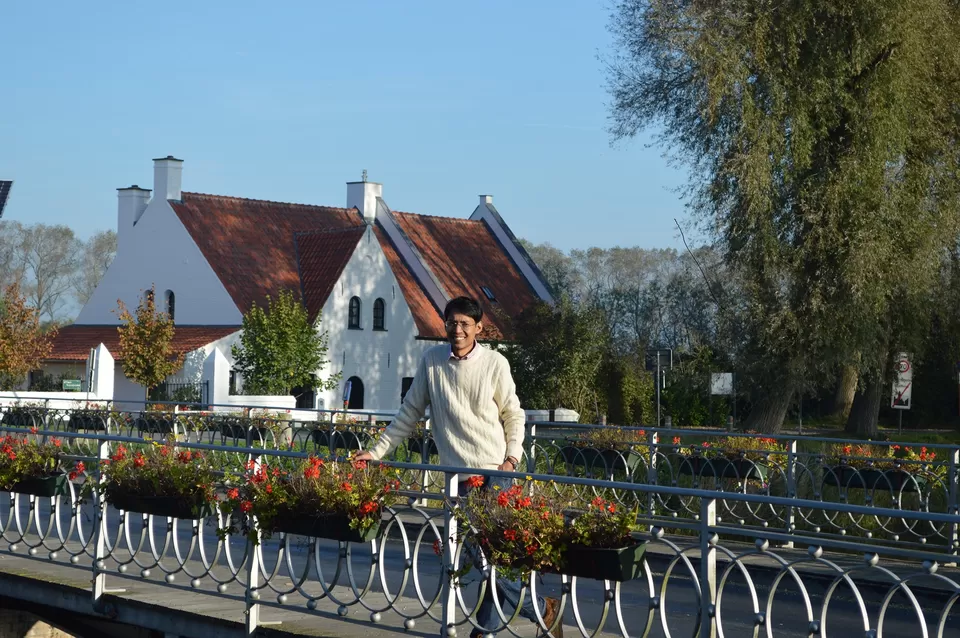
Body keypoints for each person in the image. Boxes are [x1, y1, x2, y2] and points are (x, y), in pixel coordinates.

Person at [354, 296, 563, 638]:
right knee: (482, 559)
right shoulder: (432, 362)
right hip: (457, 479)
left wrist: (511, 458)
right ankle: (536, 610)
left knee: (490, 559)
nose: (458, 330)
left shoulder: (495, 363)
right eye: (452, 323)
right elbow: (408, 414)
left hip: (496, 473)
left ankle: (491, 627)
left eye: (466, 324)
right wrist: (375, 453)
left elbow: (513, 413)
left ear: (479, 328)